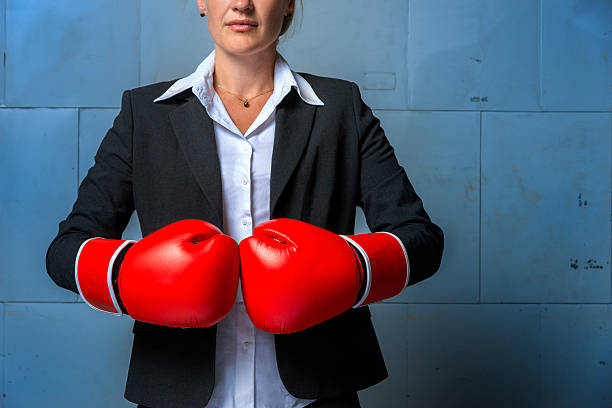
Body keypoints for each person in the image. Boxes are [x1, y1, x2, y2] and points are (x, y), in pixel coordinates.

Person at [45, 0, 444, 407]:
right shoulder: (145, 115)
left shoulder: (341, 109)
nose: (241, 3)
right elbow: (65, 250)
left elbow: (422, 239)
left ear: (289, 3)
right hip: (177, 386)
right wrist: (131, 276)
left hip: (317, 392)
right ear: (202, 2)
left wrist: (348, 269)